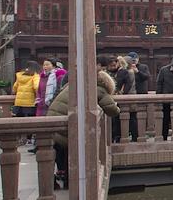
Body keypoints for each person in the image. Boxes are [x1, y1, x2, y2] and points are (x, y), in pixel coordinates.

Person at [48, 56, 120, 189]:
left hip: (53, 119)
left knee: (56, 153)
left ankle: (53, 183)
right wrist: (115, 105)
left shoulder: (78, 83)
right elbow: (112, 110)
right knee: (72, 153)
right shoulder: (98, 89)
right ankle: (70, 183)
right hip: (66, 123)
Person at [112, 55, 137, 142]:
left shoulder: (126, 72)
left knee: (126, 118)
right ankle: (134, 136)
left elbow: (126, 85)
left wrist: (122, 93)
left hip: (128, 97)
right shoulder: (131, 71)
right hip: (132, 96)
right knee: (132, 117)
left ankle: (122, 136)